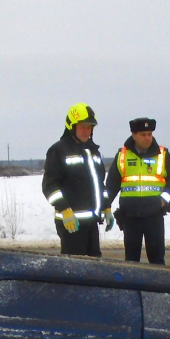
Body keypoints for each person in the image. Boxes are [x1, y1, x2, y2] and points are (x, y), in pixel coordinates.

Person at [105, 117, 170, 265]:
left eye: (149, 134)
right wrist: (105, 207)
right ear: (134, 135)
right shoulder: (122, 155)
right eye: (143, 134)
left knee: (157, 260)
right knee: (131, 261)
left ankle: (158, 281)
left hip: (154, 214)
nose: (147, 138)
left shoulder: (162, 154)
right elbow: (111, 185)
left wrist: (163, 199)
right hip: (130, 216)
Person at [42, 103, 112, 257]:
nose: (86, 131)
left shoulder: (93, 151)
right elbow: (50, 186)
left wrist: (107, 207)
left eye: (89, 127)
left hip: (92, 221)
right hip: (71, 223)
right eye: (82, 127)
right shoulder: (58, 150)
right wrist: (65, 210)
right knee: (74, 266)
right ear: (72, 127)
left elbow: (99, 184)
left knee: (95, 264)